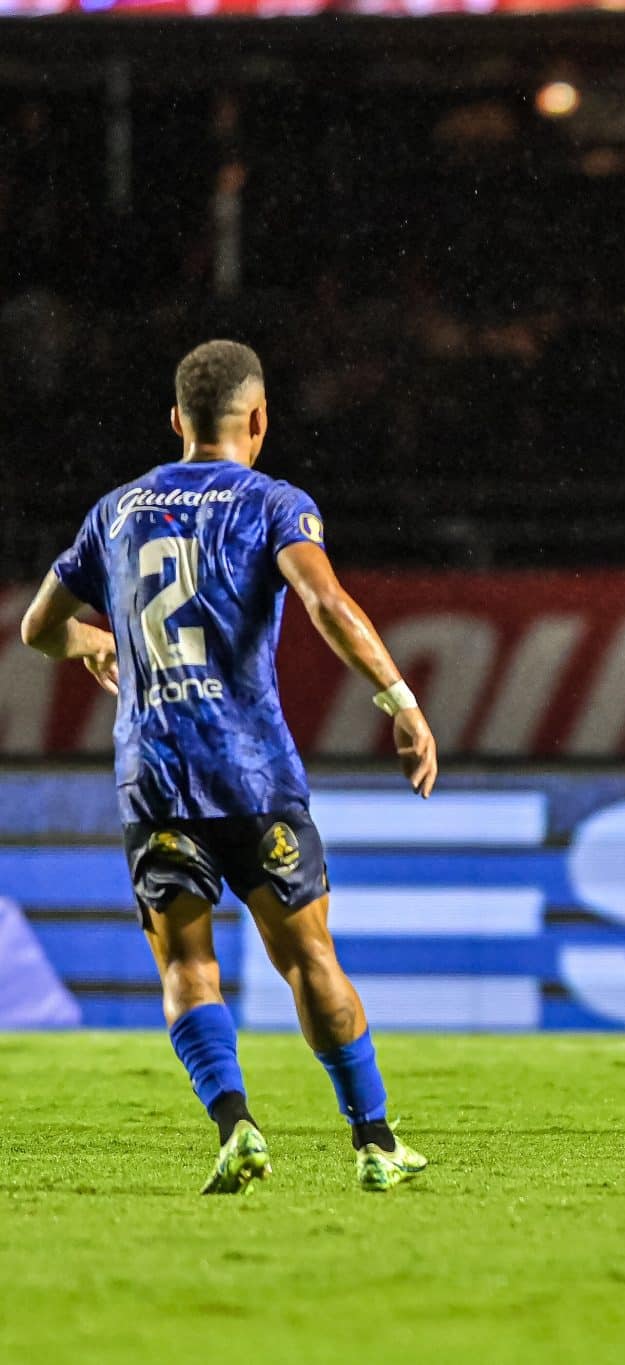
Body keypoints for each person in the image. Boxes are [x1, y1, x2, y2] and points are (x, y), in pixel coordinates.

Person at [17, 340, 439, 1195]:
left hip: (155, 776)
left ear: (176, 421)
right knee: (308, 955)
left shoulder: (118, 510)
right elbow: (326, 601)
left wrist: (95, 639)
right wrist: (400, 702)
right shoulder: (273, 502)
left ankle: (235, 1123)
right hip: (252, 772)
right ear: (259, 420)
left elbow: (37, 628)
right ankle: (373, 1139)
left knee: (185, 964)